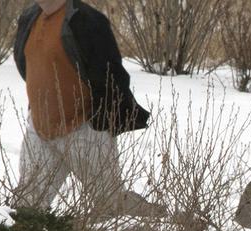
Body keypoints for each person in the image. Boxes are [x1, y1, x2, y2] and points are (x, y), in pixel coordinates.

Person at [11, 0, 151, 212]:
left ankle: (158, 223)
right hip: (40, 131)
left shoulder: (87, 21)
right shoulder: (29, 18)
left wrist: (98, 121)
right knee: (26, 207)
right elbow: (26, 65)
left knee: (111, 204)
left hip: (84, 130)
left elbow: (113, 76)